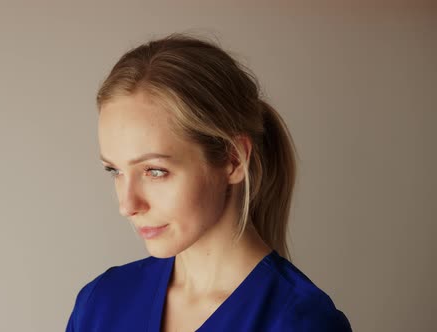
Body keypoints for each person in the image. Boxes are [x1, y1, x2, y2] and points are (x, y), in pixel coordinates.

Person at [66, 33, 352, 332]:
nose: (127, 205)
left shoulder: (301, 322)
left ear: (233, 160)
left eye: (154, 171)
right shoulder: (101, 303)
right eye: (115, 171)